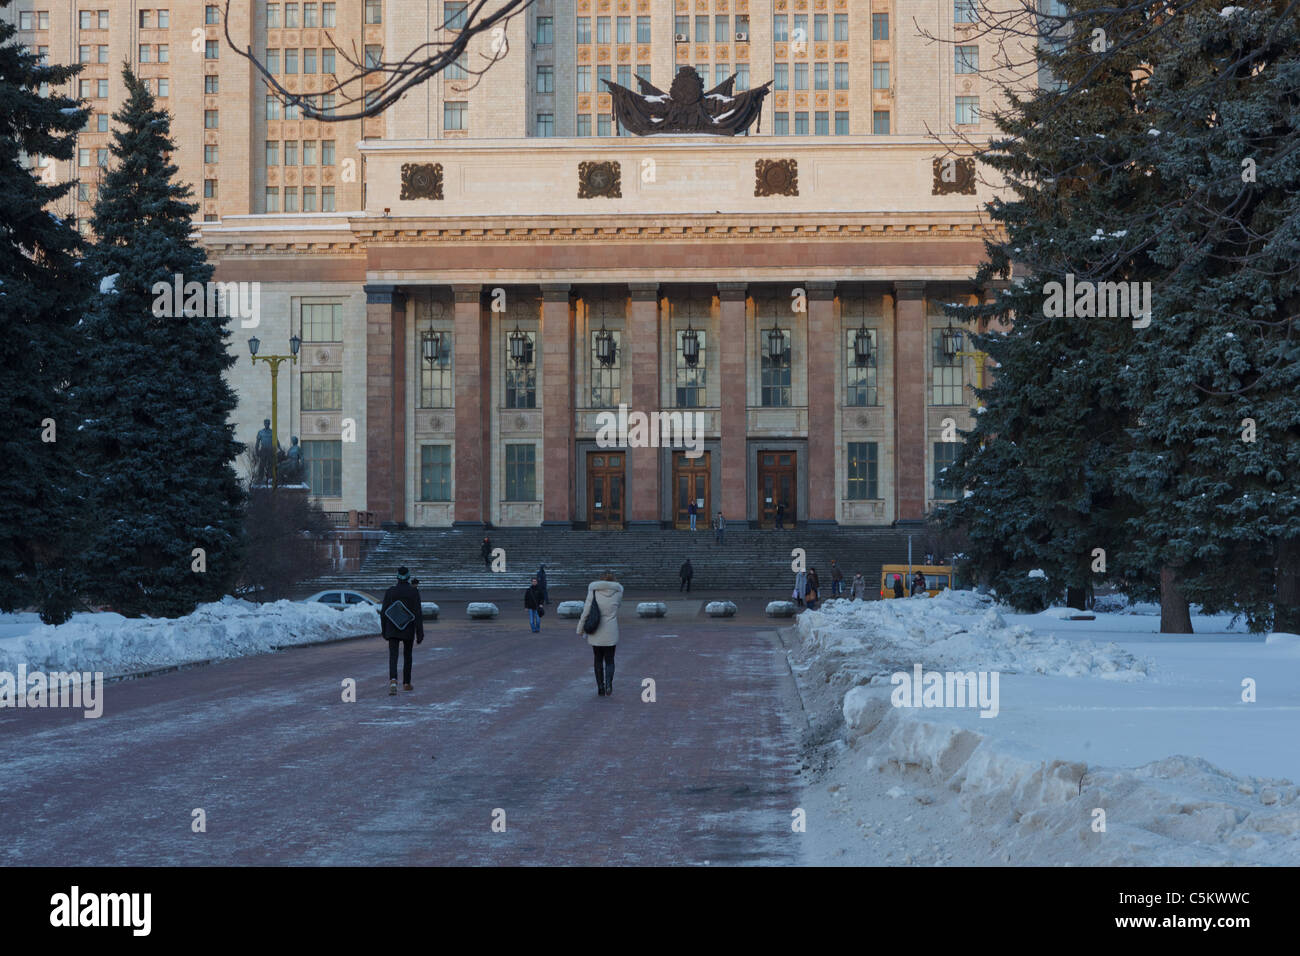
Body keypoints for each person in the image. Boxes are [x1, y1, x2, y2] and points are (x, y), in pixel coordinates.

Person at [577, 571, 624, 697]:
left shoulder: (594, 591)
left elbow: (586, 611)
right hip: (611, 630)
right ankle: (609, 683)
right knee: (610, 660)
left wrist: (580, 628)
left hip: (596, 629)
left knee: (597, 659)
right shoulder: (618, 591)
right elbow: (618, 605)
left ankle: (600, 688)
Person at [380, 566, 424, 694]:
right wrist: (419, 633)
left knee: (393, 656)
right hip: (408, 628)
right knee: (407, 656)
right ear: (408, 577)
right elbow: (418, 613)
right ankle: (406, 683)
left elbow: (384, 613)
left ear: (397, 577)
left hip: (392, 629)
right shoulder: (413, 592)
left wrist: (384, 630)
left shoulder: (390, 591)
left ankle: (393, 681)